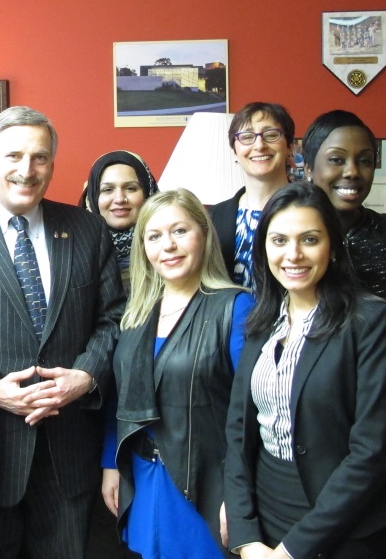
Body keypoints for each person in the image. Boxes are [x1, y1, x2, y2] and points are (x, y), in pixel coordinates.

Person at [0, 106, 125, 558]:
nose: (26, 171)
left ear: (53, 163)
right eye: (13, 156)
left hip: (69, 451)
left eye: (40, 158)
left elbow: (114, 319)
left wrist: (85, 376)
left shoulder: (89, 230)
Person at [224, 182, 386, 559]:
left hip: (344, 530)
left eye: (309, 239)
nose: (293, 255)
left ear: (334, 247)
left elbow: (371, 451)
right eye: (278, 241)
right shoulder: (261, 321)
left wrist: (292, 550)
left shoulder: (372, 322)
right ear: (263, 249)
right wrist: (245, 534)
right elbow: (238, 430)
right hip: (265, 521)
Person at [302, 109, 386, 557]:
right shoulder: (288, 238)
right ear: (309, 166)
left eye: (365, 159)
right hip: (307, 442)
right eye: (337, 159)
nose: (352, 172)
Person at [102, 189, 253, 558]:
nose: (167, 246)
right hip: (142, 478)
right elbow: (120, 397)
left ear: (204, 234)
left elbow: (249, 413)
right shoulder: (136, 315)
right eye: (154, 236)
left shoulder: (236, 307)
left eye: (180, 231)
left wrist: (238, 494)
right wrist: (111, 463)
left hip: (206, 483)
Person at [209, 102, 295, 289]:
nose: (259, 145)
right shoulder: (214, 218)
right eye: (247, 137)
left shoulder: (312, 210)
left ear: (290, 147)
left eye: (271, 135)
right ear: (234, 151)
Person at [78, 150, 160, 290]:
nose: (120, 199)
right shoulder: (75, 251)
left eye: (130, 188)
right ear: (93, 198)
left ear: (148, 193)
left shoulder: (169, 248)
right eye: (108, 190)